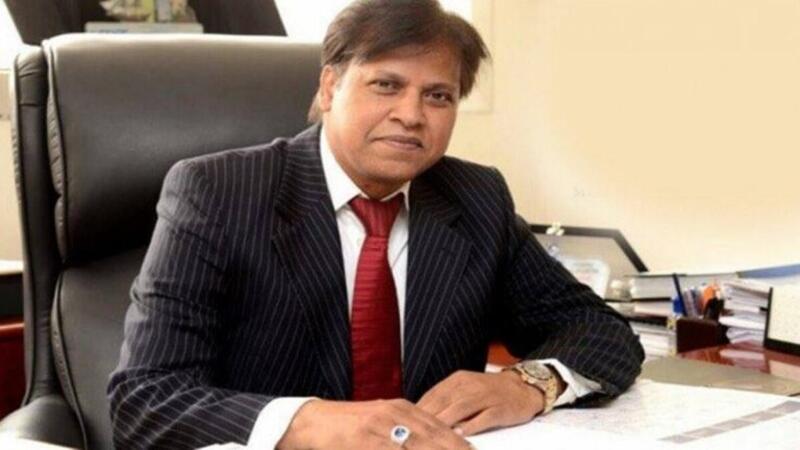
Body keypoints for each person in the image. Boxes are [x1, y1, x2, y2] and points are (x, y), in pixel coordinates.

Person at [108, 0, 644, 449]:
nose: (412, 115)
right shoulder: (218, 193)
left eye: (438, 95)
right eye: (386, 85)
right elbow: (146, 399)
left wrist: (528, 384)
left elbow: (600, 331)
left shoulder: (476, 198)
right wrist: (310, 422)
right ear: (329, 88)